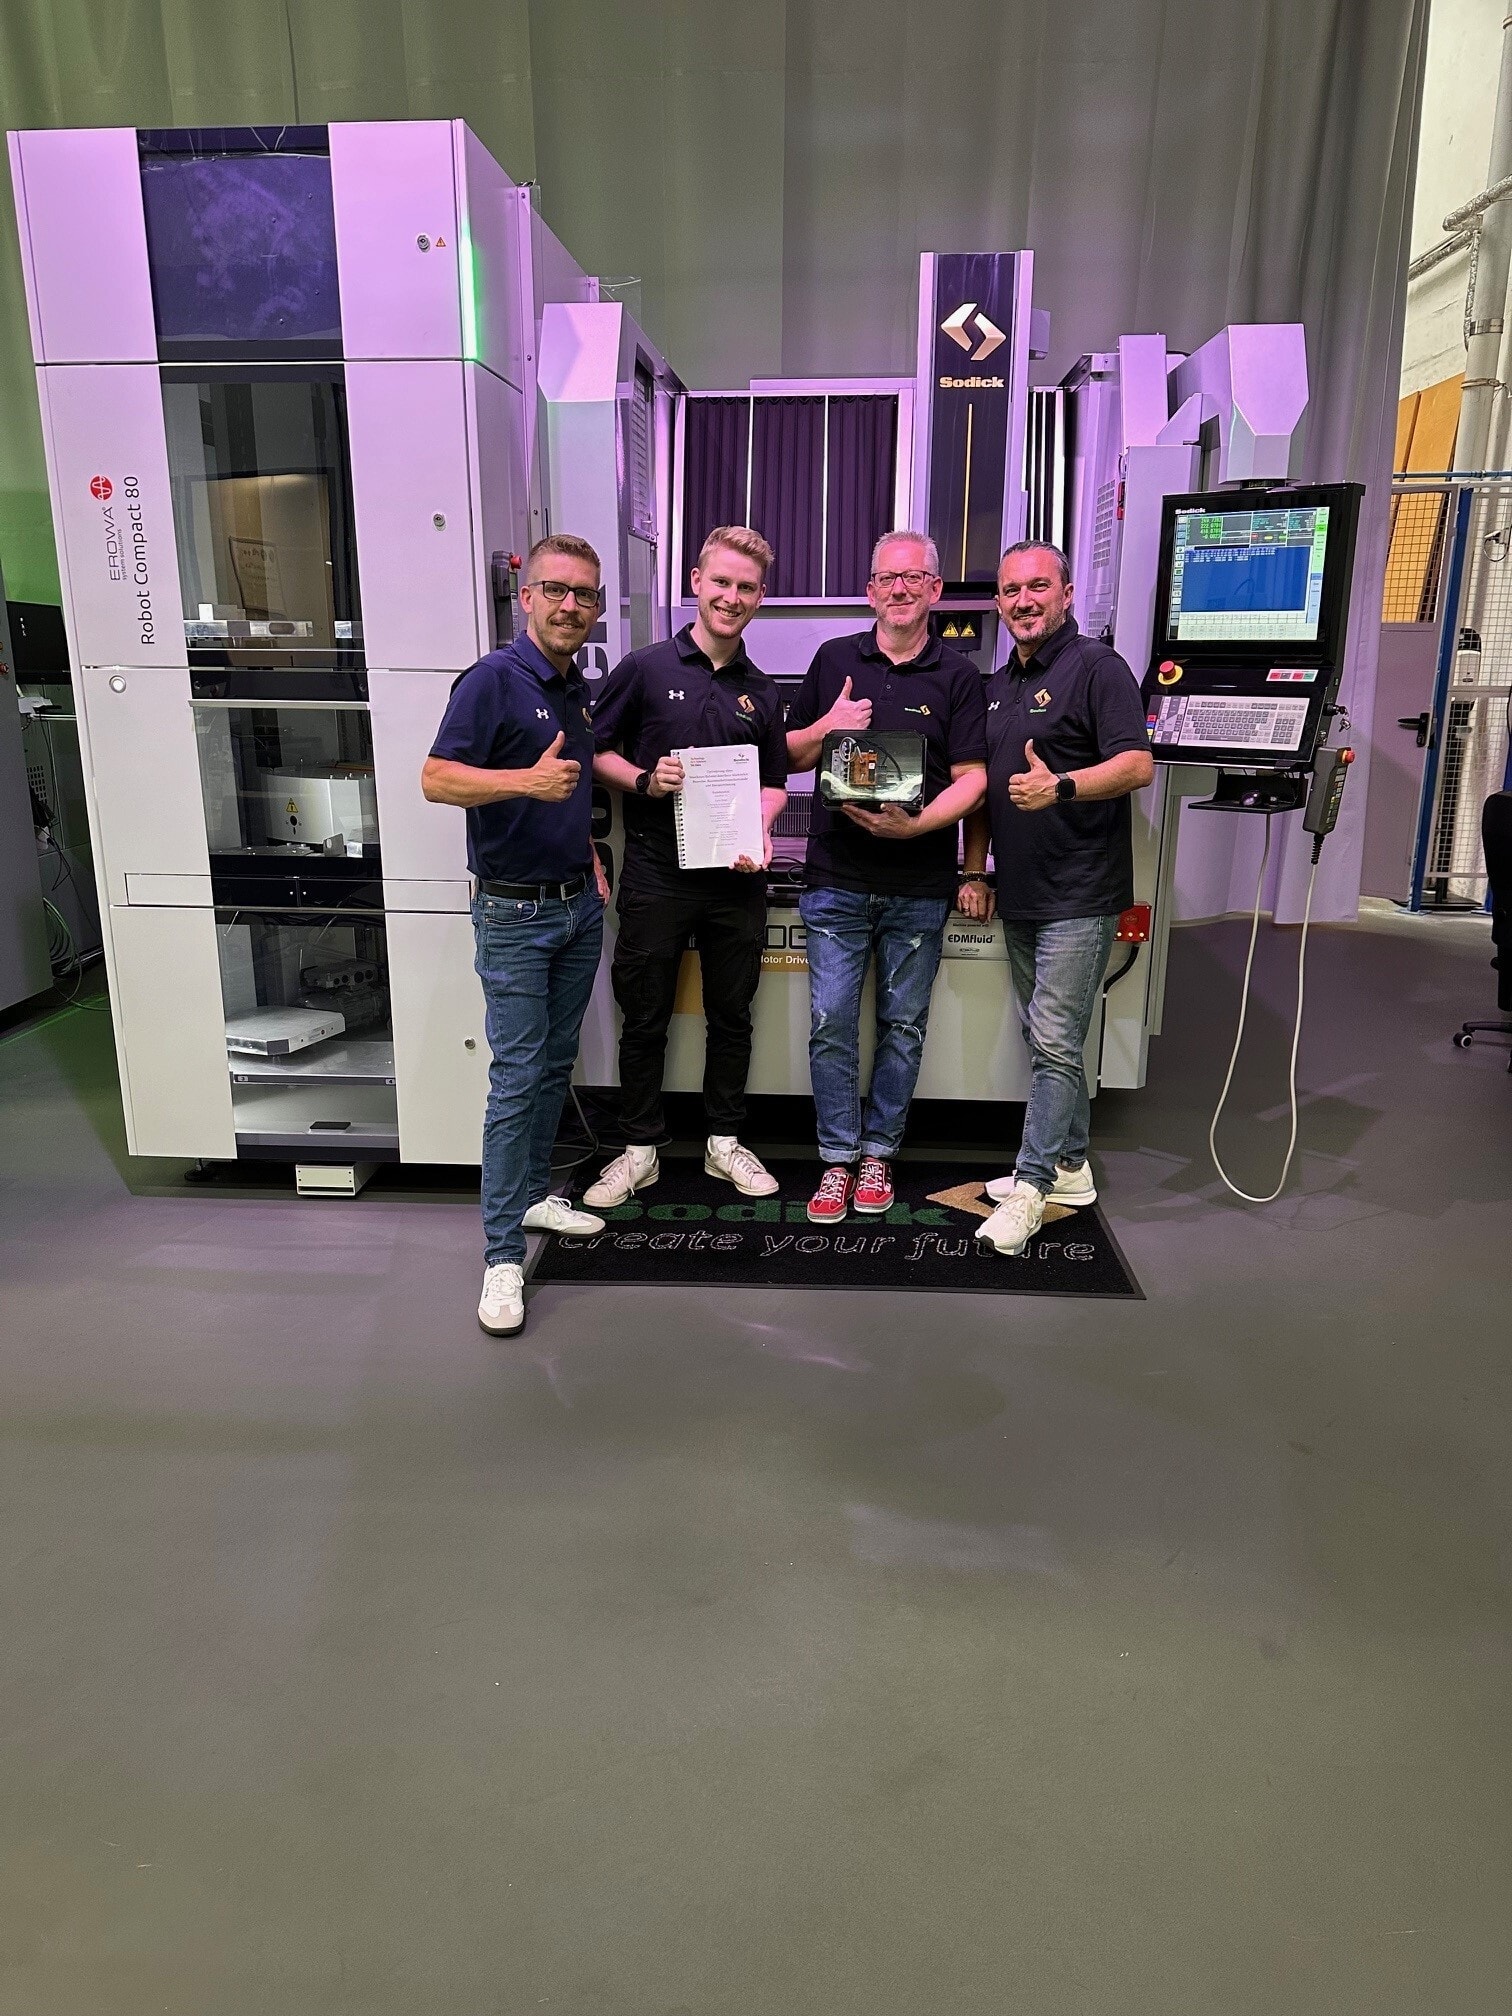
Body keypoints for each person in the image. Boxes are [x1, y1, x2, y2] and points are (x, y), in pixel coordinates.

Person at [421, 534, 611, 1336]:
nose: (570, 606)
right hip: (514, 916)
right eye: (556, 590)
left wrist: (588, 854)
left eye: (585, 595)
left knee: (554, 1065)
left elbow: (572, 791)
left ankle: (535, 1195)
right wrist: (524, 782)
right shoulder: (492, 680)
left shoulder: (575, 689)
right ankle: (502, 1256)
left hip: (576, 908)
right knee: (517, 1077)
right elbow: (436, 778)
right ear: (526, 596)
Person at [784, 530, 987, 1223]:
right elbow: (788, 755)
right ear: (870, 590)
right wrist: (829, 723)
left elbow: (974, 780)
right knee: (830, 1024)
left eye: (914, 577)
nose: (899, 589)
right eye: (887, 578)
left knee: (903, 1026)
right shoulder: (833, 660)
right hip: (836, 879)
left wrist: (918, 825)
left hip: (918, 883)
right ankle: (837, 1158)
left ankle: (878, 1153)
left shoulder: (959, 676)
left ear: (935, 589)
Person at [960, 540, 1154, 1257]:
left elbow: (1138, 764)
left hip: (1081, 888)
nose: (1024, 601)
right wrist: (975, 872)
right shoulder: (997, 683)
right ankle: (1070, 1166)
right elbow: (987, 790)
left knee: (1053, 1037)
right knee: (1046, 1037)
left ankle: (1032, 1185)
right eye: (1011, 590)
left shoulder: (1098, 667)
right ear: (998, 603)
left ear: (1067, 594)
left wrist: (1062, 785)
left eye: (1038, 586)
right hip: (1021, 888)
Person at [585, 526, 788, 1204]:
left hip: (735, 879)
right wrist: (646, 780)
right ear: (697, 582)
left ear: (760, 597)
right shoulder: (645, 669)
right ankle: (639, 1148)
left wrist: (761, 827)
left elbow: (774, 783)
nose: (731, 597)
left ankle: (723, 1143)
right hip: (657, 874)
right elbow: (596, 751)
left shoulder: (763, 690)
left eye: (746, 587)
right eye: (721, 582)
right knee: (645, 1016)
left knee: (733, 1016)